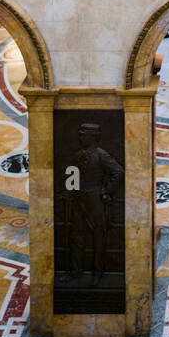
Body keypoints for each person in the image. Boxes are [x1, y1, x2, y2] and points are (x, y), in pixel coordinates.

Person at [68, 122, 124, 286]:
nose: (80, 137)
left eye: (83, 134)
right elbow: (73, 175)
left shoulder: (101, 154)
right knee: (75, 235)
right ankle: (76, 270)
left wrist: (106, 191)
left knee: (98, 236)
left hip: (95, 199)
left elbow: (118, 172)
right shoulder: (78, 154)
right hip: (79, 198)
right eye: (80, 134)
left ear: (92, 137)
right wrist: (69, 191)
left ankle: (98, 272)